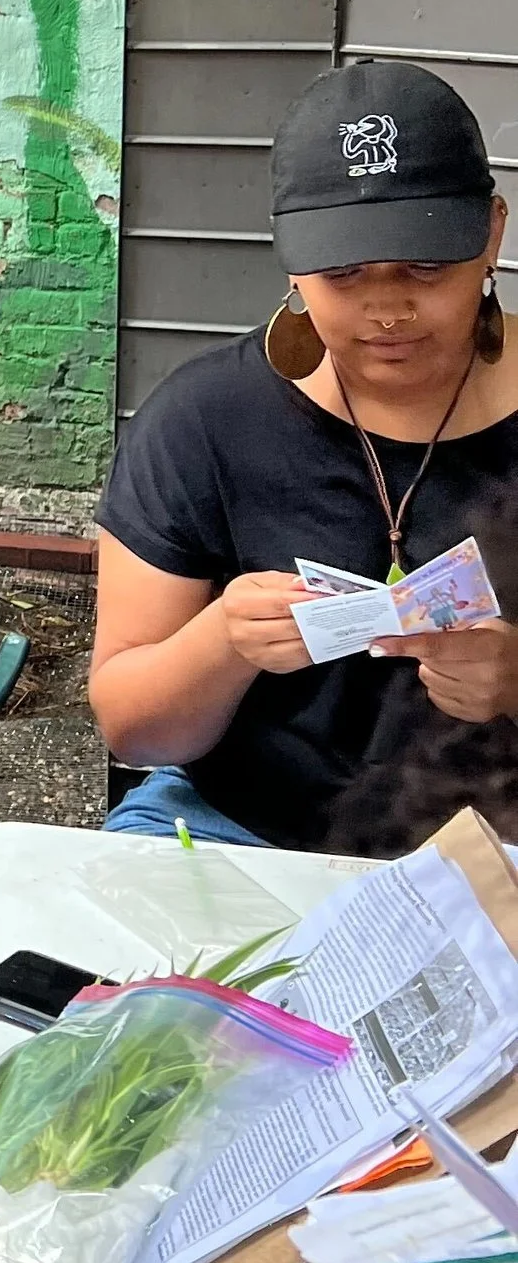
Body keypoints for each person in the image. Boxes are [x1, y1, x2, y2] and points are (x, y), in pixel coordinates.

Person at [90, 57, 518, 850]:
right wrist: (223, 642)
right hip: (238, 826)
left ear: (492, 233)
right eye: (344, 272)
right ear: (292, 260)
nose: (387, 307)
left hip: (495, 844)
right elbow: (133, 730)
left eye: (427, 265)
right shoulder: (203, 422)